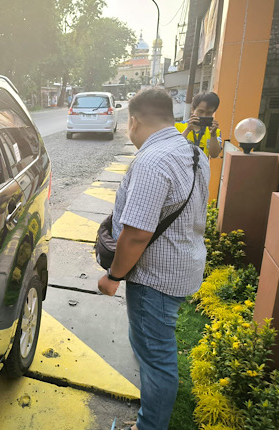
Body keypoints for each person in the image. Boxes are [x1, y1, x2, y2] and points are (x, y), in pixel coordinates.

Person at [98, 88, 210, 430]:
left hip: (155, 279)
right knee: (156, 349)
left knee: (156, 357)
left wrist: (113, 277)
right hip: (183, 266)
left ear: (133, 121)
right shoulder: (192, 151)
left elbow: (136, 234)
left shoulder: (152, 160)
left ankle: (148, 427)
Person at [175, 91, 222, 158]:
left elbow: (214, 155)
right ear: (192, 109)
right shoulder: (177, 127)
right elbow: (173, 148)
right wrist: (188, 130)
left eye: (209, 113)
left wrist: (213, 135)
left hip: (202, 168)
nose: (204, 115)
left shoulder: (215, 131)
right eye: (200, 111)